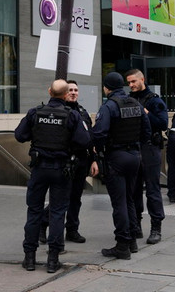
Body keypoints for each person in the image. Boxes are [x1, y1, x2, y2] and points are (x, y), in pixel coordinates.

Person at [15, 79, 90, 273]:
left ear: (49, 91)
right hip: (61, 170)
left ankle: (29, 258)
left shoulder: (35, 113)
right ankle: (52, 260)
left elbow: (19, 136)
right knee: (57, 213)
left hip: (39, 168)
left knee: (33, 211)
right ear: (66, 95)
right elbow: (84, 141)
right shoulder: (72, 115)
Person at [91, 72, 150, 259]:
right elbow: (146, 131)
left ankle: (122, 245)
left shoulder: (109, 106)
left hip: (116, 157)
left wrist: (98, 151)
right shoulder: (136, 104)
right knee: (130, 199)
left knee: (119, 203)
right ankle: (132, 240)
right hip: (135, 156)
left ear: (106, 88)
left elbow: (99, 133)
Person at [39, 80, 93, 247]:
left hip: (80, 161)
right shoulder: (57, 111)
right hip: (63, 161)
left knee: (75, 198)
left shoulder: (82, 112)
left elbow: (90, 139)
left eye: (76, 90)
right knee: (62, 198)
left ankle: (72, 229)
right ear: (63, 93)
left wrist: (94, 161)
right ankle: (43, 223)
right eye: (70, 90)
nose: (73, 92)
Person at [125, 68, 168, 245]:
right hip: (133, 148)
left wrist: (145, 112)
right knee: (134, 189)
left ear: (142, 79)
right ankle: (136, 226)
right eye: (128, 82)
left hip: (150, 148)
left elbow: (163, 123)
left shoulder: (154, 101)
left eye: (134, 81)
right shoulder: (128, 100)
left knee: (152, 189)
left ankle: (156, 228)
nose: (131, 85)